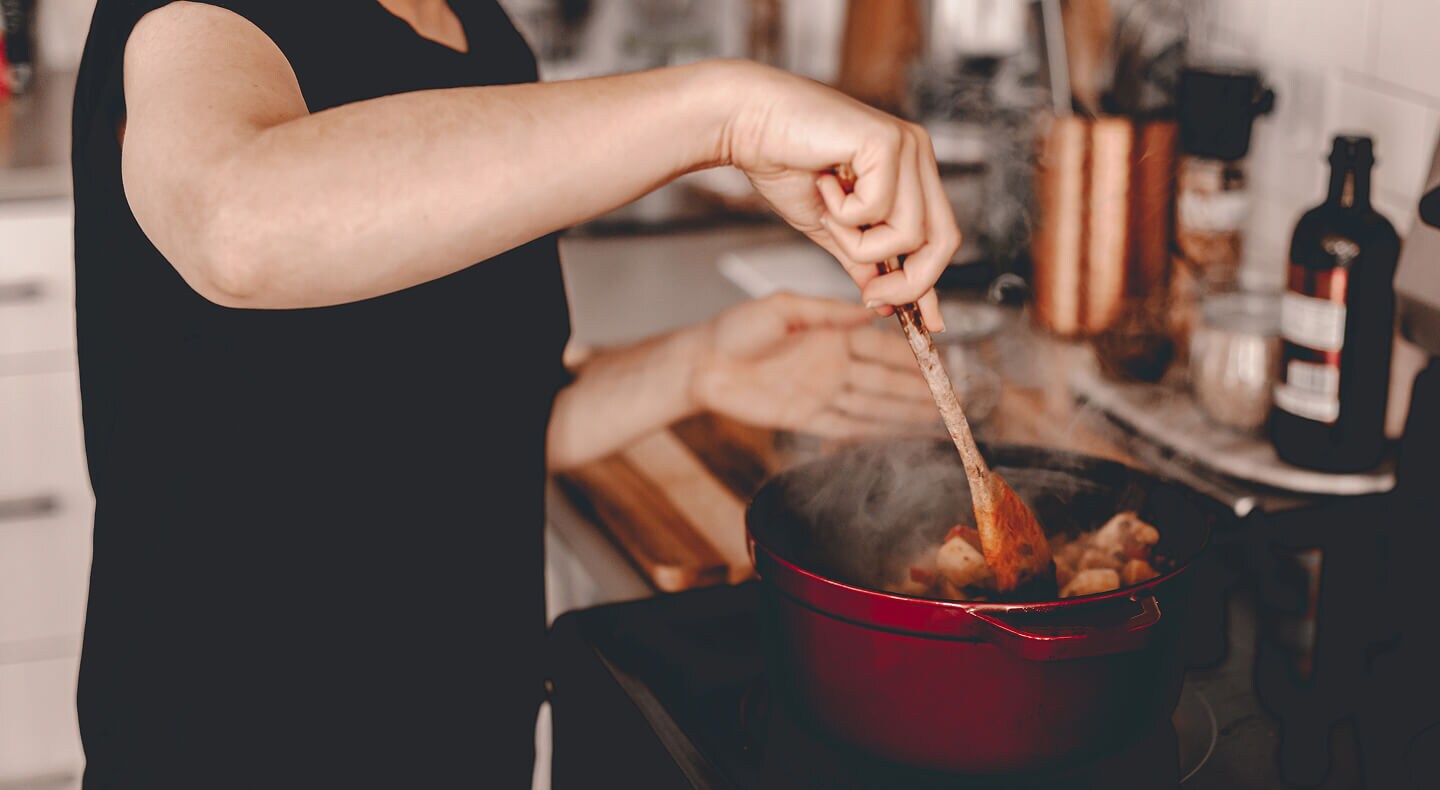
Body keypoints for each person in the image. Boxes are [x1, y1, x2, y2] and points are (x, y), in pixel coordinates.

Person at [70, 0, 960, 786]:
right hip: (232, 749)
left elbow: (479, 413)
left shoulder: (486, 39)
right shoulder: (194, 19)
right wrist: (726, 112)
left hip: (463, 744)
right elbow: (236, 225)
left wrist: (698, 366)